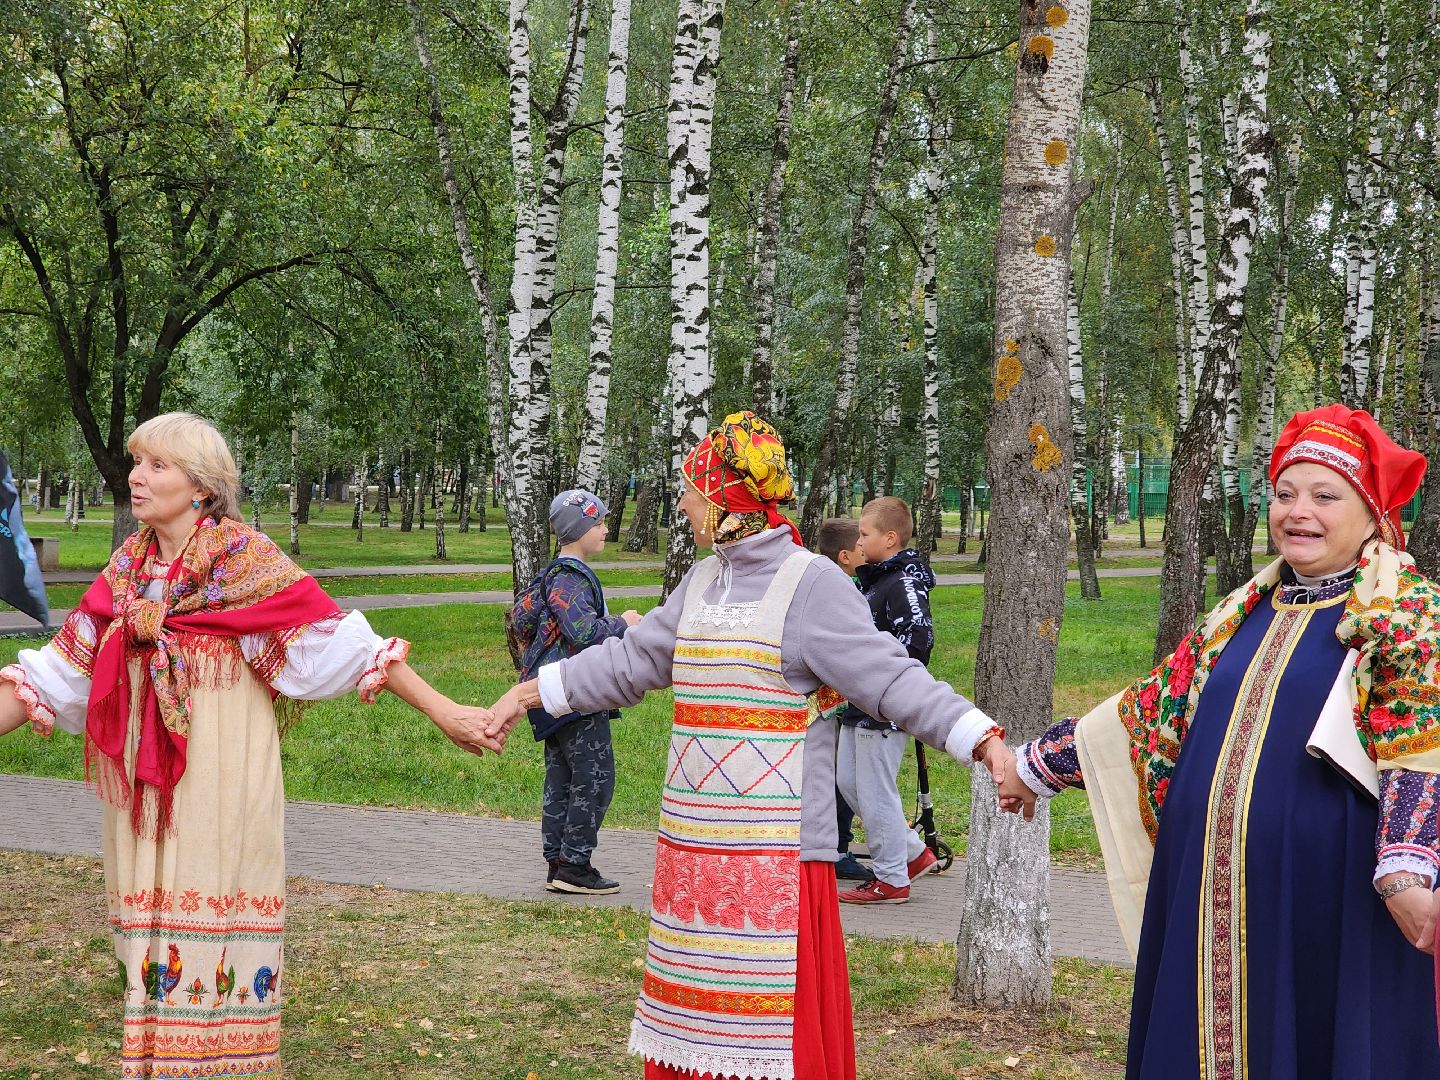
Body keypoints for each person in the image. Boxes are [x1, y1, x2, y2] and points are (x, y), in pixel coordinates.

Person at [486, 411, 1011, 1080]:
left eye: (692, 492)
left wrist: (980, 738)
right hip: (694, 862)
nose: (682, 504)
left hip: (780, 867)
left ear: (727, 497)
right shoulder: (704, 582)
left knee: (769, 1046)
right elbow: (628, 663)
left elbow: (891, 678)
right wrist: (526, 695)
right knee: (697, 1031)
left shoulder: (811, 584)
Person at [0, 413, 498, 1079]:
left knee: (212, 927)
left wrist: (447, 712)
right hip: (145, 788)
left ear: (201, 488)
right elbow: (55, 673)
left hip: (221, 780)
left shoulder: (246, 563)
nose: (136, 477)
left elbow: (346, 647)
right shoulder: (127, 570)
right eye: (136, 462)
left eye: (156, 465)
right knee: (147, 937)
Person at [998, 404, 1440, 1078]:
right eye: (1286, 494)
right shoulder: (1242, 613)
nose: (1300, 511)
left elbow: (1421, 738)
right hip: (1209, 900)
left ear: (1372, 511)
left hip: (1331, 903)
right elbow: (1153, 712)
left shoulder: (1403, 613)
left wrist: (1407, 865)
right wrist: (1035, 768)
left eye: (1326, 496)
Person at [513, 489, 642, 895]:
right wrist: (625, 622)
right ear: (580, 528)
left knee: (562, 777)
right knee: (595, 777)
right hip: (574, 692)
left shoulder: (555, 573)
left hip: (551, 695)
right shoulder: (570, 576)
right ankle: (574, 864)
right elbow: (584, 633)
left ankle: (558, 860)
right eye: (599, 523)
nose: (605, 529)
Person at [835, 497, 941, 904]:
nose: (859, 542)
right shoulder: (876, 580)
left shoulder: (905, 582)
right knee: (849, 784)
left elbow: (918, 640)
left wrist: (878, 678)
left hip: (883, 706)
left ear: (890, 538)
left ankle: (892, 878)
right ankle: (913, 854)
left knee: (877, 791)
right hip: (856, 703)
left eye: (865, 534)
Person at [815, 517, 873, 884]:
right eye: (862, 544)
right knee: (837, 779)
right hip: (835, 703)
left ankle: (835, 845)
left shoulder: (832, 586)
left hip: (832, 701)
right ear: (846, 556)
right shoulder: (846, 591)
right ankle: (836, 849)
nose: (867, 550)